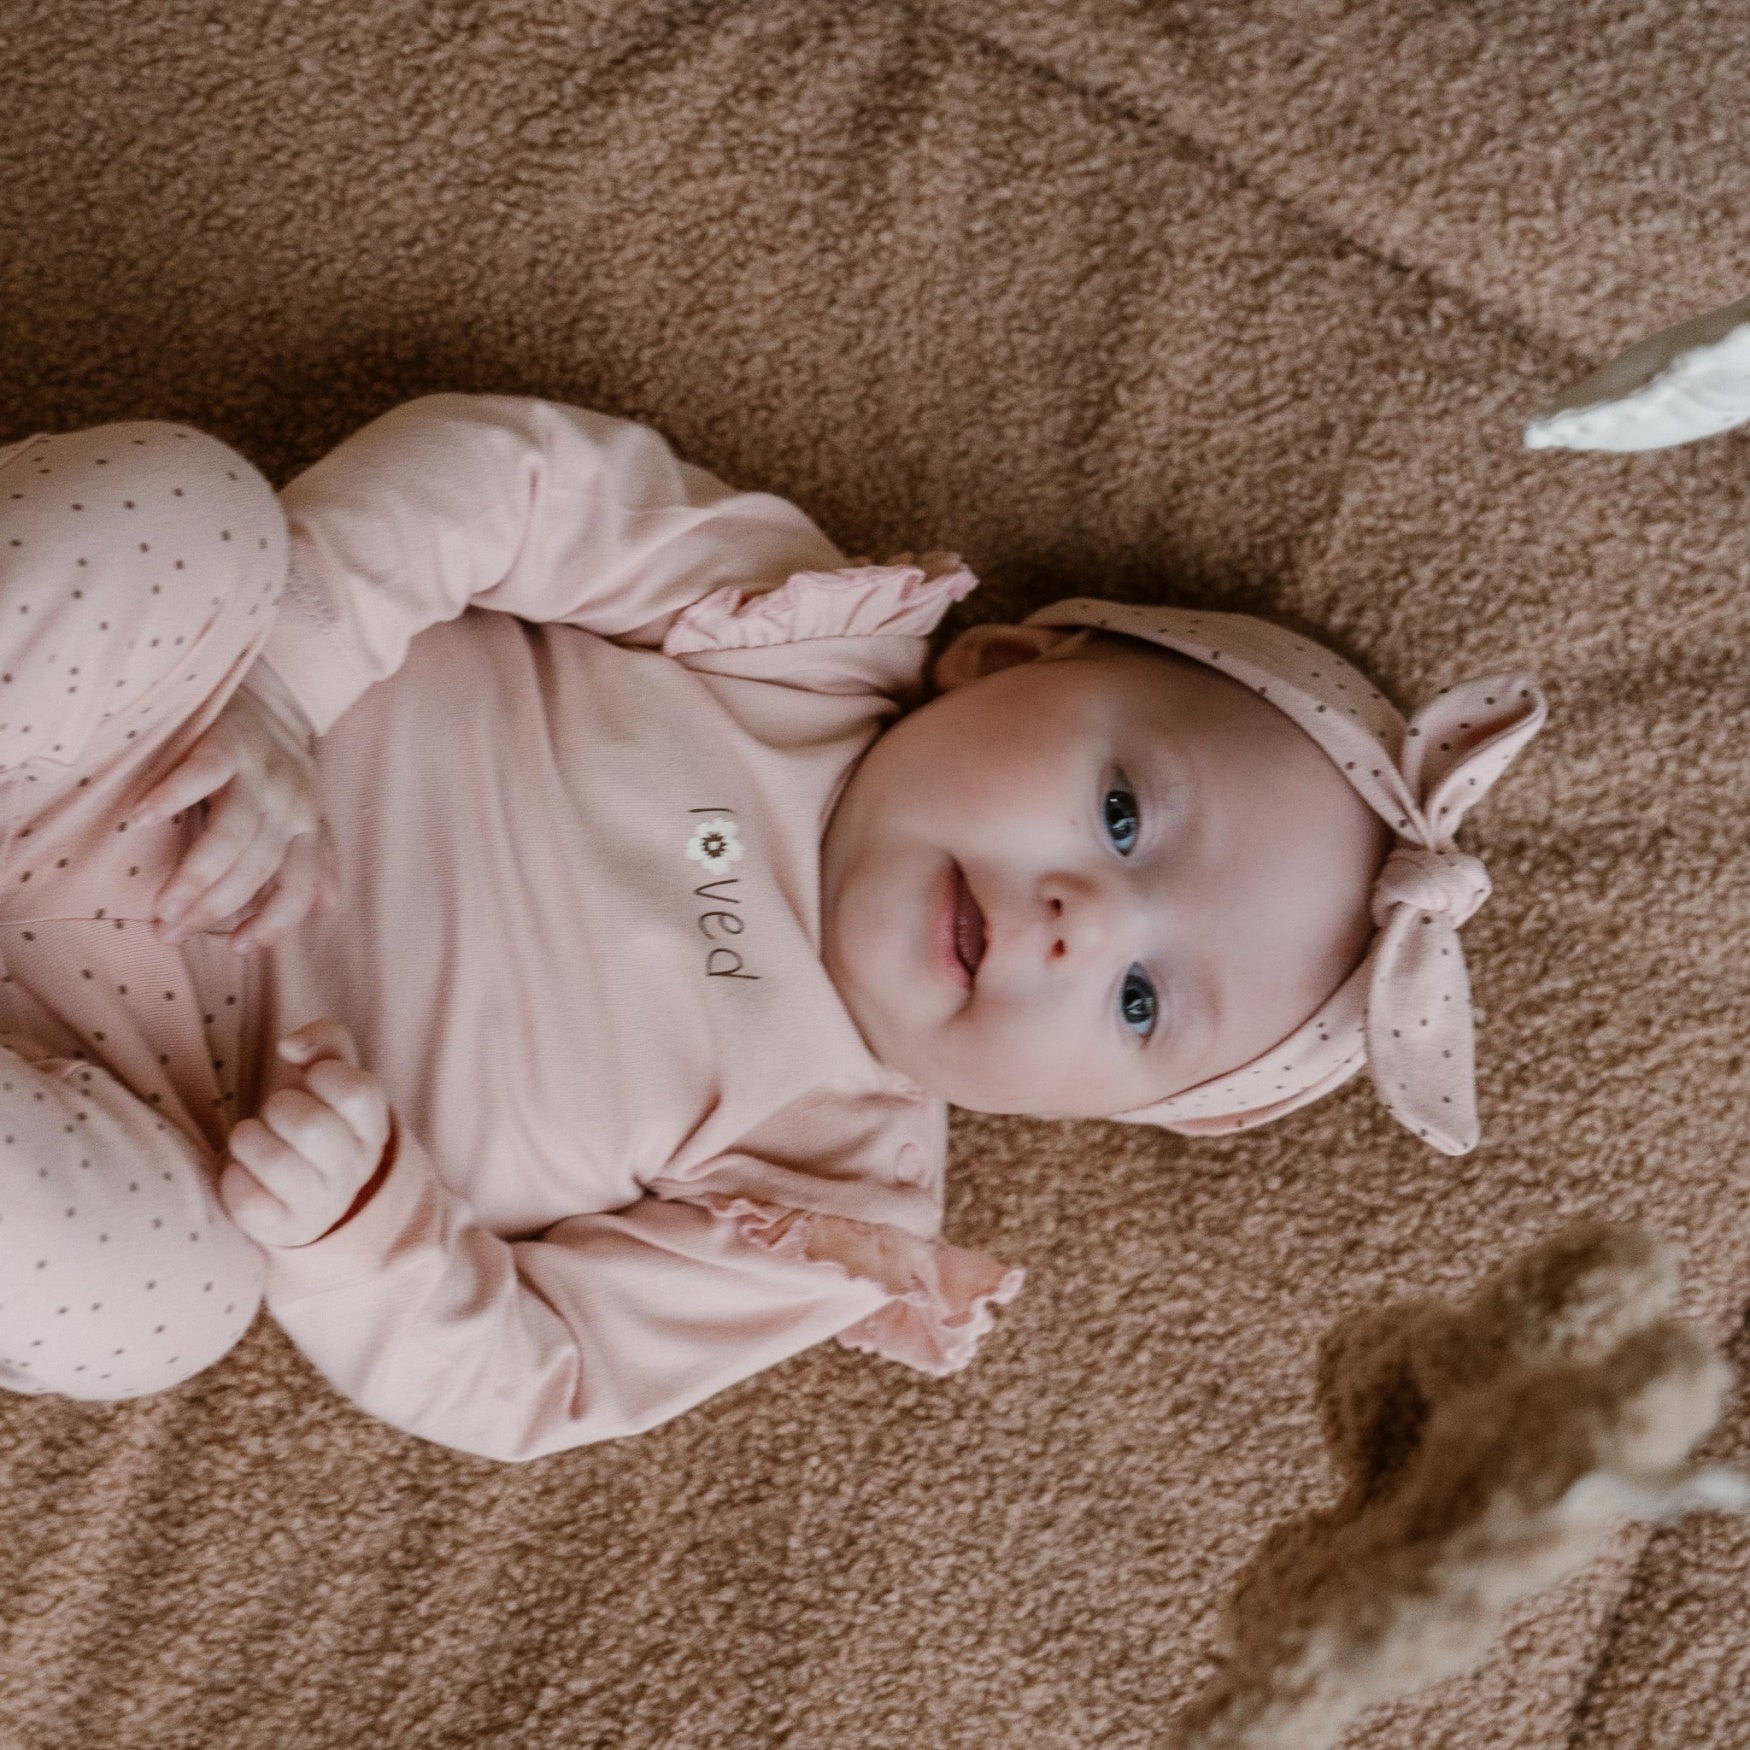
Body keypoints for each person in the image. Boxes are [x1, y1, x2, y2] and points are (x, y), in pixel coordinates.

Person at [0, 395, 1544, 1461]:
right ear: (1006, 659)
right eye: (1123, 814)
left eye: (1141, 1004)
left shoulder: (827, 1190)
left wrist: (365, 1234)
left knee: (166, 1304)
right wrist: (283, 681)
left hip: (140, 1098)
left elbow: (542, 1375)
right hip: (138, 738)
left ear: (1101, 1112)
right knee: (193, 514)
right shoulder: (791, 639)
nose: (1081, 922)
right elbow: (503, 481)